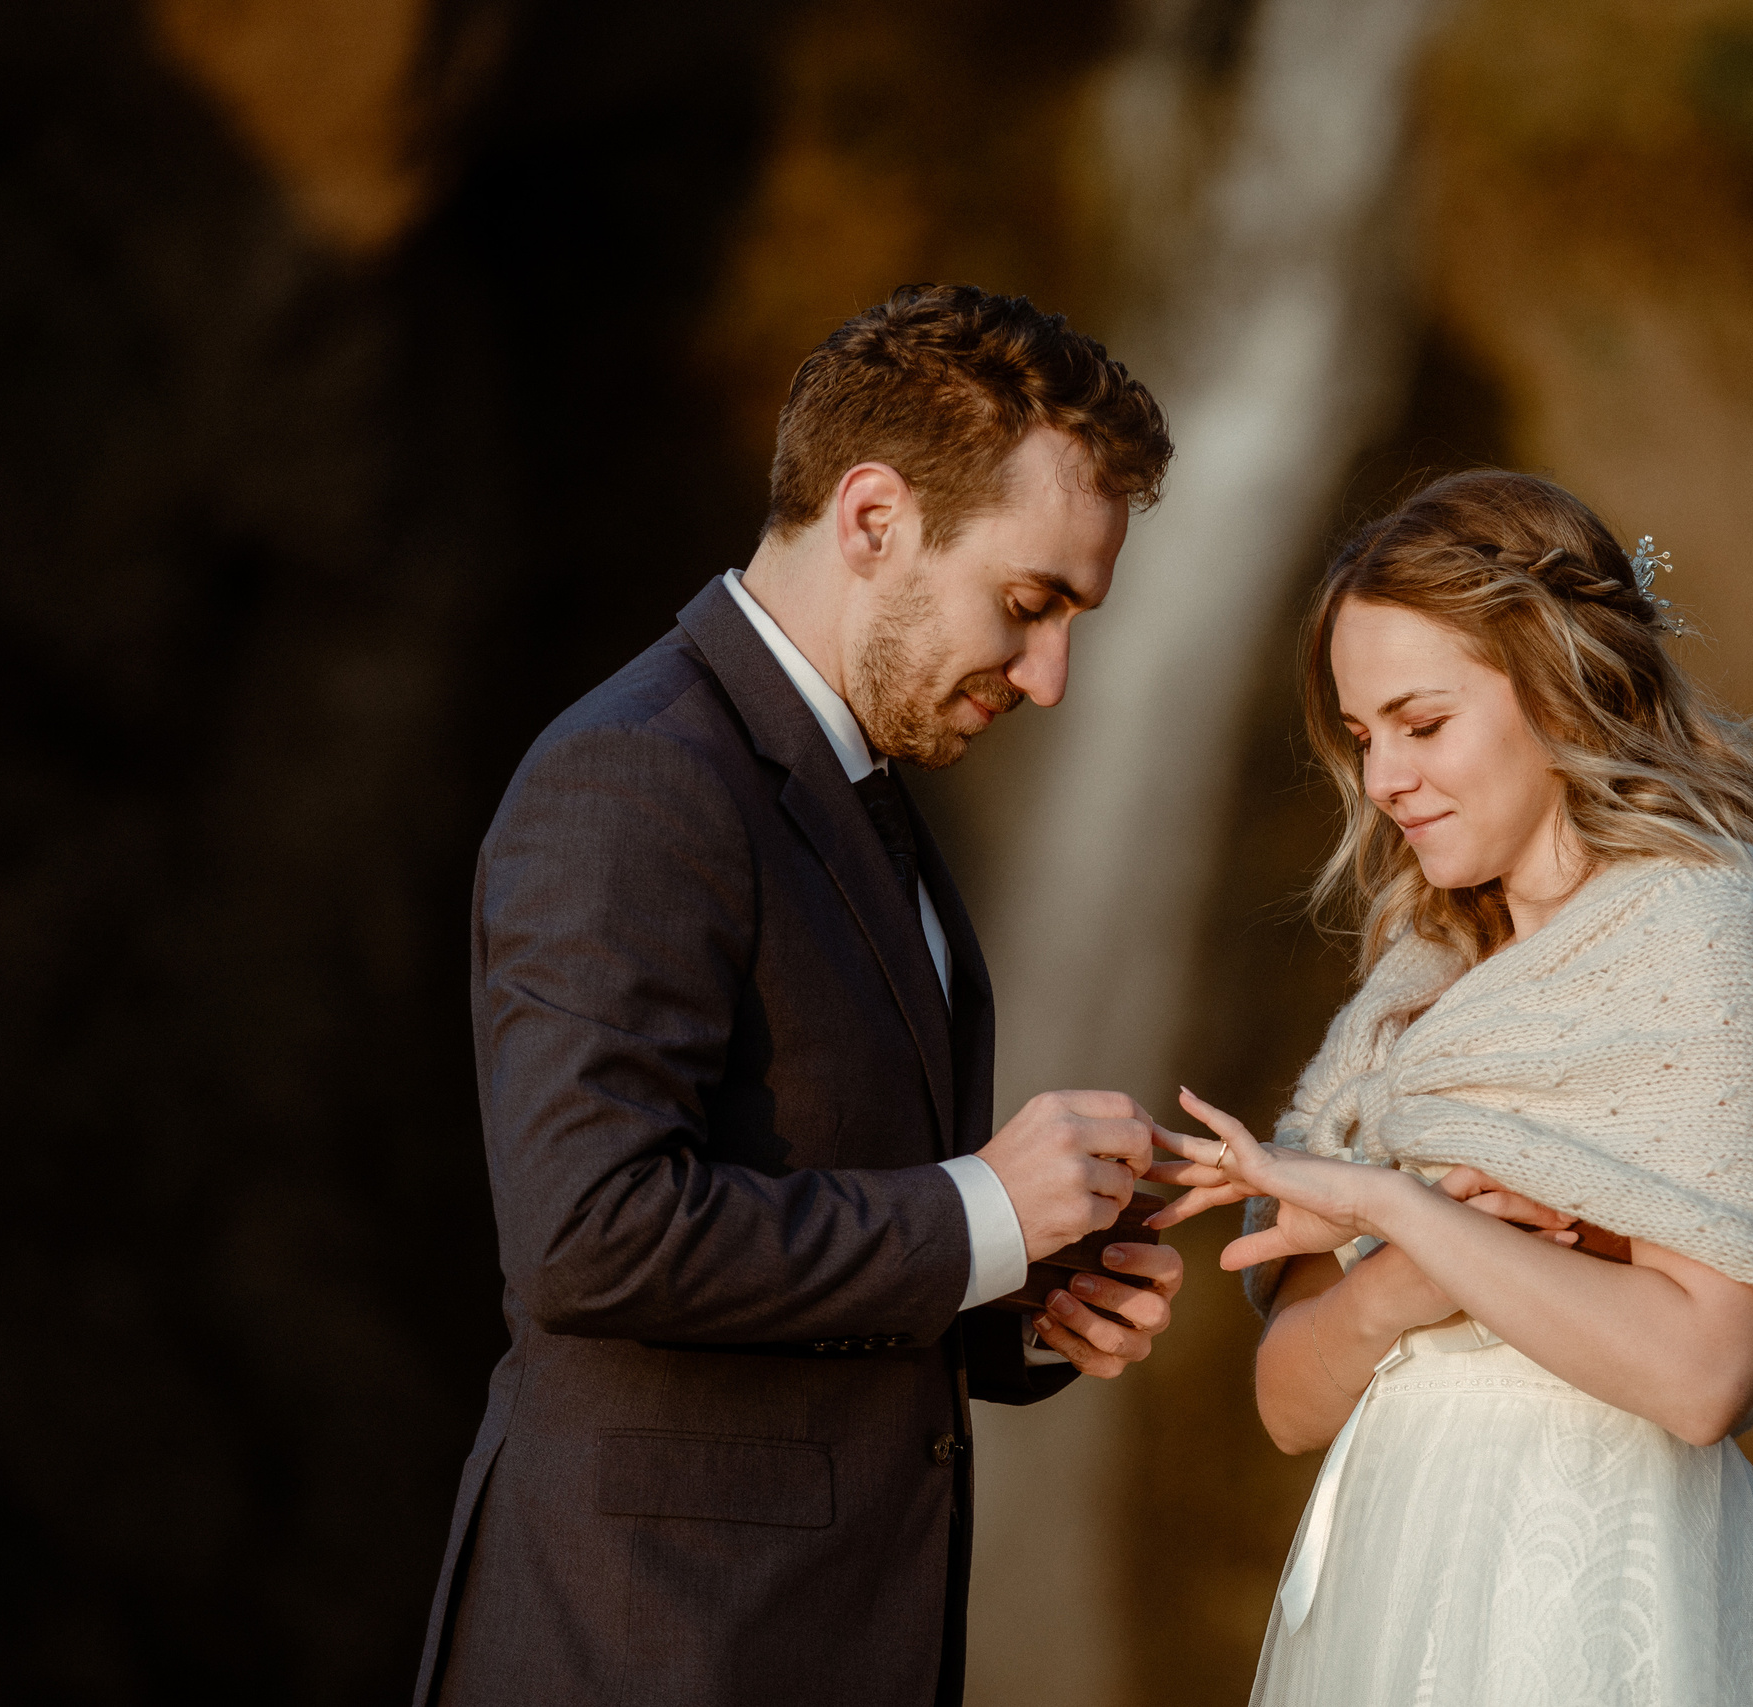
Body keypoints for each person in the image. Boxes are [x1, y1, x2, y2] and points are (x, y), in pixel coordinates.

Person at [414, 284, 1188, 1707]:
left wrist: (1015, 1285)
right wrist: (979, 1212)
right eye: (1031, 604)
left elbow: (816, 1197)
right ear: (874, 515)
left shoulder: (859, 784)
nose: (1052, 674)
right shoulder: (636, 773)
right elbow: (589, 1233)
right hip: (644, 1649)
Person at [1151, 470, 1753, 1705]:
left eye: (1422, 724)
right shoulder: (1415, 984)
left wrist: (1406, 1213)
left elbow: (1702, 1377)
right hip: (1389, 1561)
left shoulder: (1715, 936)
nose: (1383, 781)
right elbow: (1288, 1404)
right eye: (1364, 737)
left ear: (1557, 686)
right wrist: (1405, 1282)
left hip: (1597, 1565)